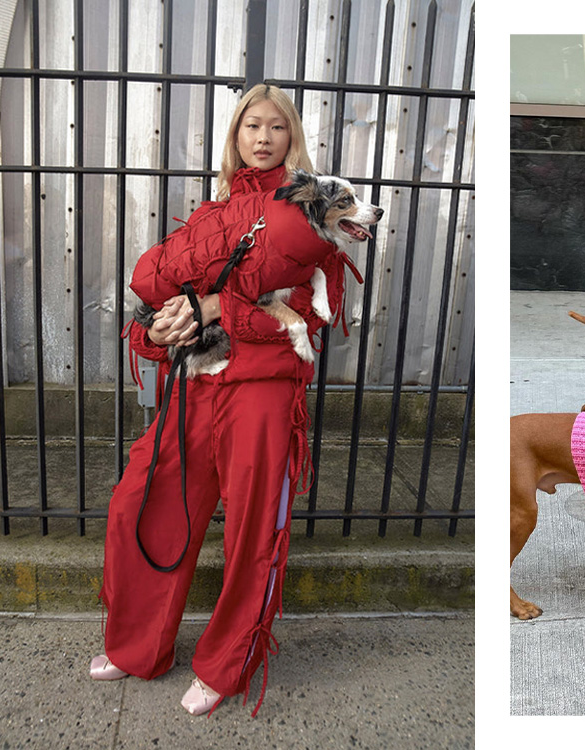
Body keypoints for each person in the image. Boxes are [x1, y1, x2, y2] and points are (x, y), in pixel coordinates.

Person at [90, 84, 345, 717]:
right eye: (250, 126)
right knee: (140, 503)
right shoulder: (211, 214)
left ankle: (225, 664)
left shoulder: (317, 212)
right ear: (234, 138)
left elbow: (314, 318)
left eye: (276, 127)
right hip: (197, 386)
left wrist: (215, 306)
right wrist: (156, 328)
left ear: (293, 137)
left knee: (254, 532)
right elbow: (164, 299)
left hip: (262, 393)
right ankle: (138, 646)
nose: (263, 137)